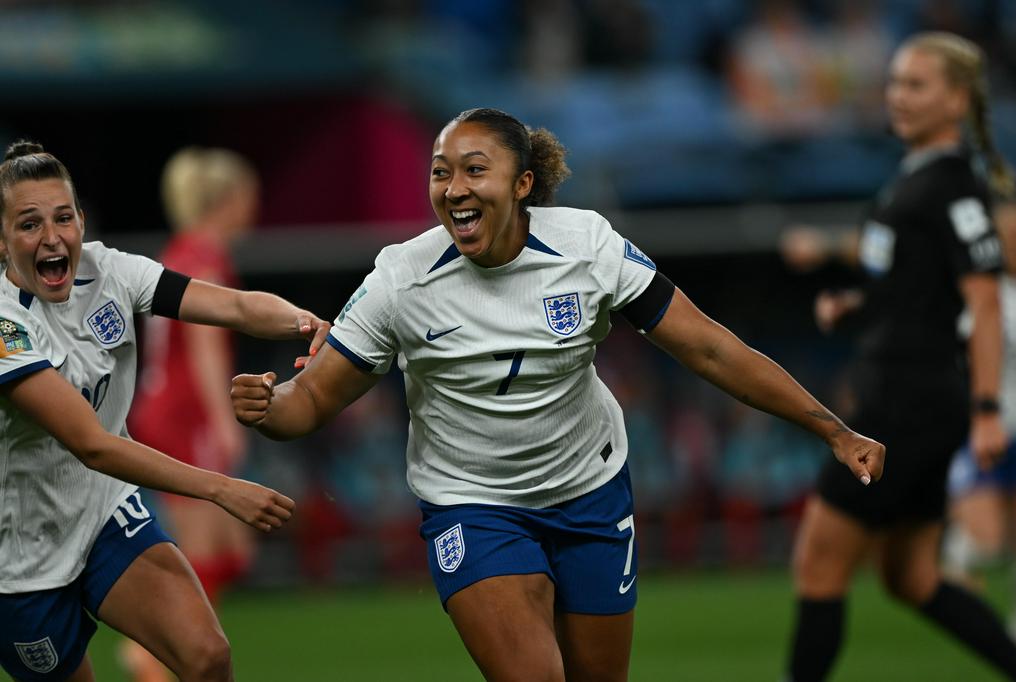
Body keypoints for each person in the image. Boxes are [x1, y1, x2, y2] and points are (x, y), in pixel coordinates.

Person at [229, 107, 884, 681]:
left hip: (591, 494)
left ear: (522, 185)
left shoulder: (587, 247)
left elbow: (709, 347)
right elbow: (312, 400)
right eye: (439, 172)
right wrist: (270, 406)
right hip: (473, 505)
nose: (453, 188)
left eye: (473, 170)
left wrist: (832, 428)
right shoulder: (401, 277)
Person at [0, 140, 329, 682]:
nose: (53, 237)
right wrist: (223, 487)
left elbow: (237, 306)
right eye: (30, 224)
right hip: (22, 555)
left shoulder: (111, 271)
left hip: (104, 512)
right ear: (3, 237)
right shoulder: (7, 326)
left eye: (64, 218)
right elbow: (93, 444)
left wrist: (308, 323)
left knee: (207, 656)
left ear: (82, 220)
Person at [782, 33, 1016, 681]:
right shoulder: (917, 180)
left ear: (958, 99)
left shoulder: (955, 190)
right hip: (911, 397)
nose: (899, 96)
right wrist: (855, 307)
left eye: (917, 84)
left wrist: (988, 411)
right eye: (894, 82)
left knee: (818, 564)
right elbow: (917, 289)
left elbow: (987, 301)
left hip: (905, 404)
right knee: (911, 577)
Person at [121, 147, 261, 681]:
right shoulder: (205, 258)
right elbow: (205, 349)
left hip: (161, 407)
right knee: (203, 545)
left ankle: (166, 646)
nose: (254, 206)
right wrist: (225, 422)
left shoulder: (177, 250)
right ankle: (155, 653)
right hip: (186, 414)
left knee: (229, 545)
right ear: (226, 199)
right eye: (248, 195)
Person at [943, 200, 1016, 639]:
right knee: (991, 542)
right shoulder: (980, 294)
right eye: (1009, 235)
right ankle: (958, 549)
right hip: (991, 431)